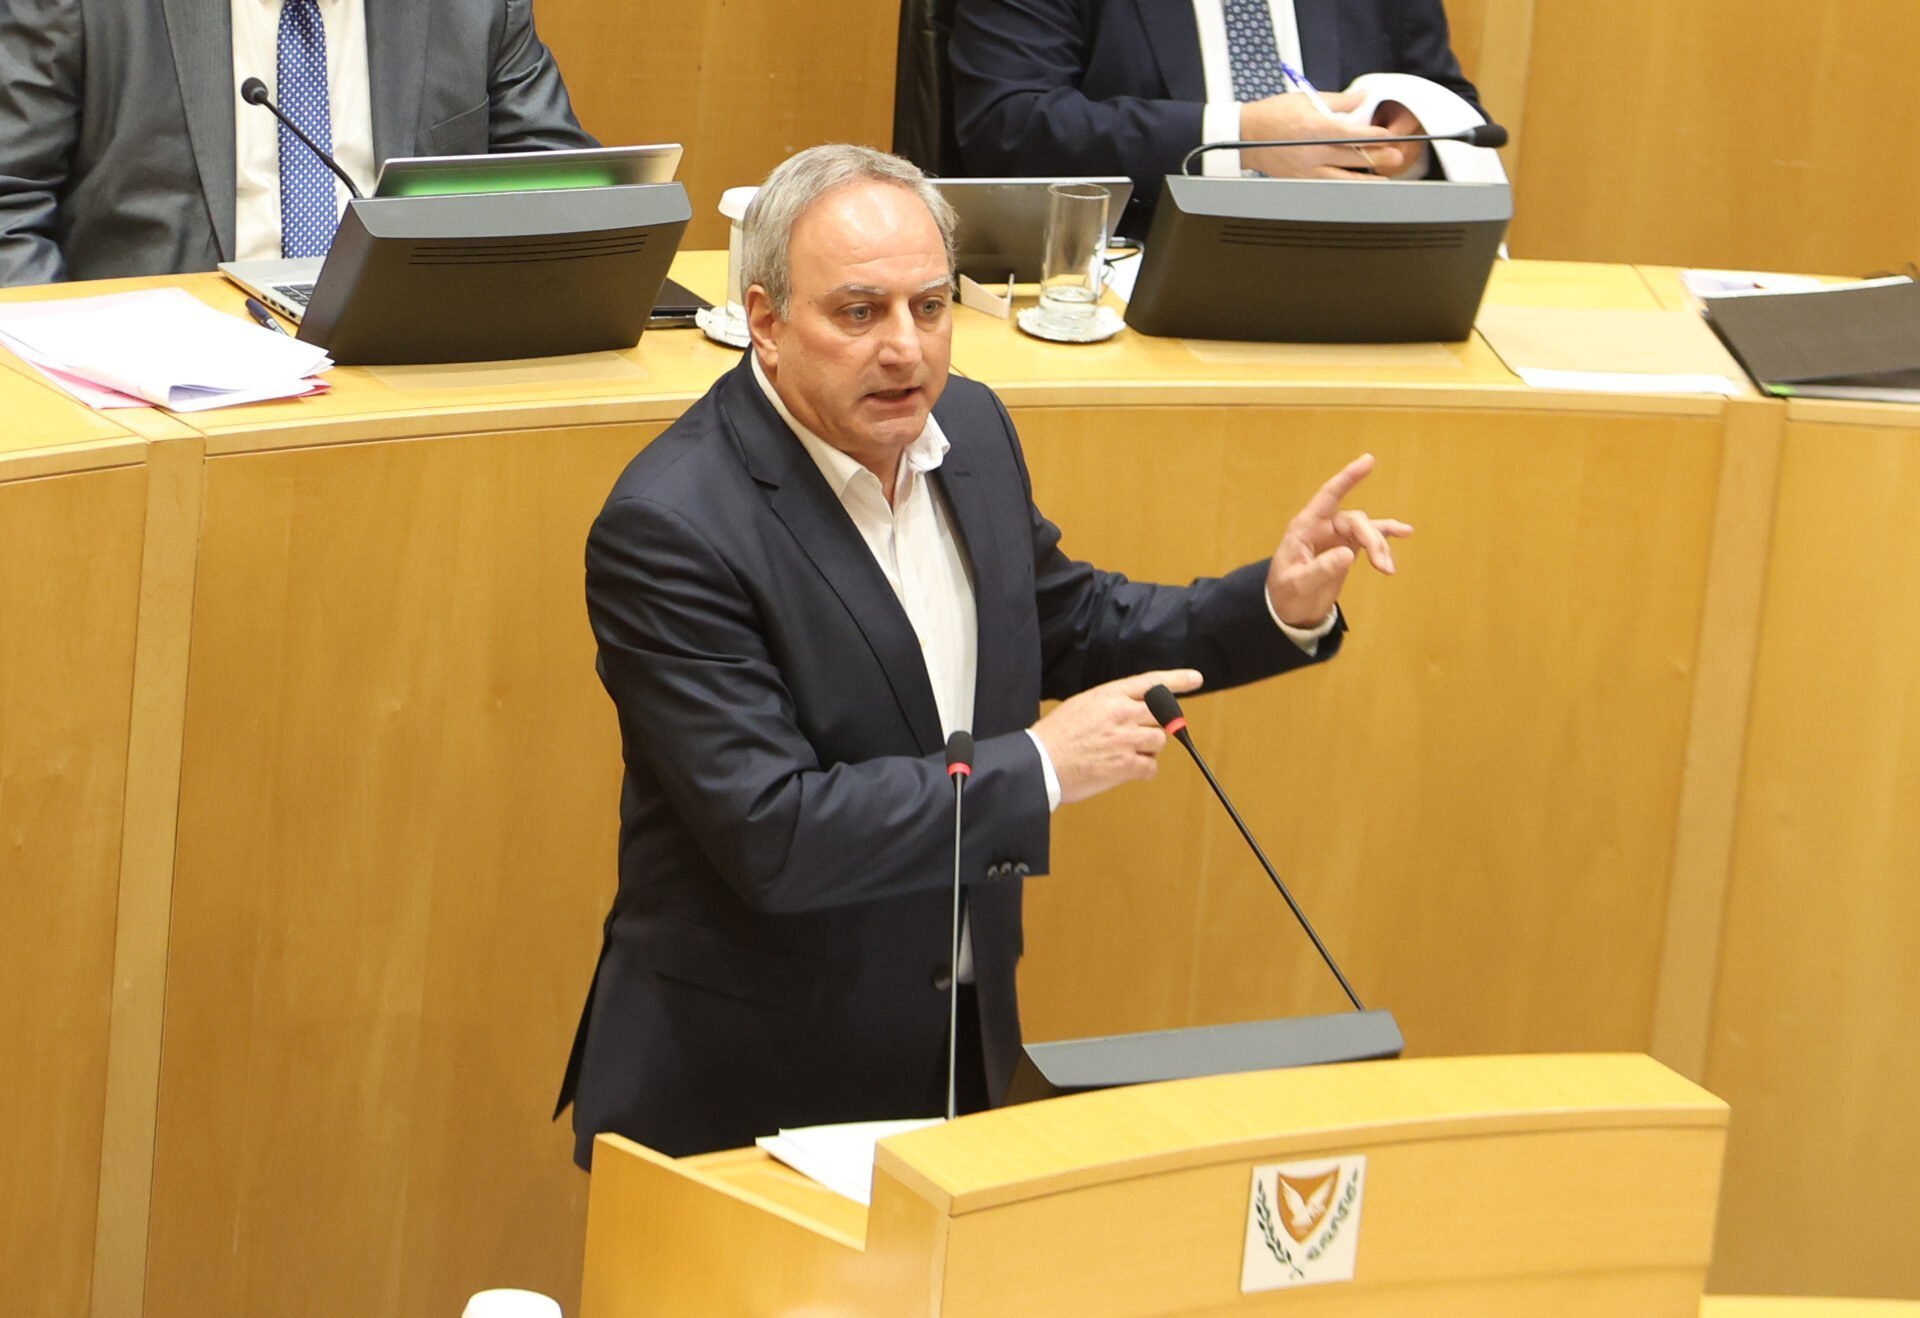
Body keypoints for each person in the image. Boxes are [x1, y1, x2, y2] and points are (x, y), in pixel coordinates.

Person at [554, 143, 1409, 1164]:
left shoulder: (969, 427)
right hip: (747, 1089)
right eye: (859, 312)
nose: (905, 350)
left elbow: (1066, 622)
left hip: (953, 1046)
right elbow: (774, 829)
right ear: (767, 323)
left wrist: (1270, 604)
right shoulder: (674, 526)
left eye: (929, 307)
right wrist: (1043, 766)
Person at [0, 0, 594, 285]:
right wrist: (73, 381)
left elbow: (570, 197)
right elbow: (10, 205)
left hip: (406, 376)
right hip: (161, 385)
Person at [949, 0, 1484, 235]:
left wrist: (1409, 137)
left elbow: (1456, 112)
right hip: (1127, 276)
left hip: (1355, 269)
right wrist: (1243, 139)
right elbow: (1009, 125)